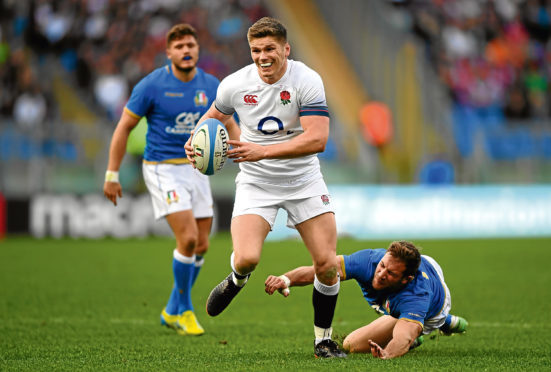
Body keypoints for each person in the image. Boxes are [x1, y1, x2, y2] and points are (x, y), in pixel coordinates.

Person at [185, 17, 345, 358]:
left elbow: (318, 139)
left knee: (327, 264)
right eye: (256, 50)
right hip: (257, 182)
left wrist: (262, 151)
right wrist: (194, 140)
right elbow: (214, 115)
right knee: (246, 259)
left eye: (270, 48)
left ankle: (323, 340)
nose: (262, 56)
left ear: (285, 49)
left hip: (304, 180)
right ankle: (237, 279)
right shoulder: (234, 84)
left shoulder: (307, 80)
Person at [103, 24, 236, 336]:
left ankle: (171, 308)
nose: (186, 50)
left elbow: (229, 122)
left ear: (198, 49)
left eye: (191, 44)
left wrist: (242, 153)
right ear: (169, 53)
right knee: (188, 238)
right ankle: (184, 310)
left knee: (202, 243)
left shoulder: (211, 84)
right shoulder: (151, 85)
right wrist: (112, 173)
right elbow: (123, 127)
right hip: (162, 168)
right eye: (179, 47)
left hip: (197, 168)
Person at [264, 241, 468, 359]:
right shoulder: (368, 260)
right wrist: (286, 279)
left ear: (406, 279)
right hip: (400, 299)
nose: (380, 274)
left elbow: (403, 337)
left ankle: (445, 321)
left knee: (357, 343)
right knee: (350, 344)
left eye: (390, 273)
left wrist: (388, 353)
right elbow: (324, 270)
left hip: (435, 307)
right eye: (382, 266)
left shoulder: (416, 297)